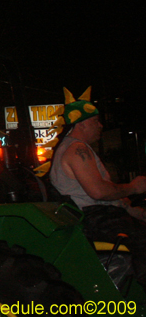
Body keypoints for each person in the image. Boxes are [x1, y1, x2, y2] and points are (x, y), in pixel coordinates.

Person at [50, 87, 146, 286]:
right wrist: (134, 187)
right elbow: (99, 192)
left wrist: (130, 209)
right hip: (96, 219)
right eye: (95, 121)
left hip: (101, 215)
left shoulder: (76, 148)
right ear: (82, 124)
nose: (100, 126)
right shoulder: (77, 149)